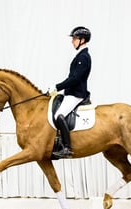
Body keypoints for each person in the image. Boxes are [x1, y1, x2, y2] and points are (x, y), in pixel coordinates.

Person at [48, 26, 92, 158]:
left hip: (77, 94)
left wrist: (57, 86)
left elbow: (75, 78)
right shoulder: (80, 55)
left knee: (59, 115)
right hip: (71, 92)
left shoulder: (84, 57)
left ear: (82, 40)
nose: (72, 41)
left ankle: (67, 147)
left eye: (74, 38)